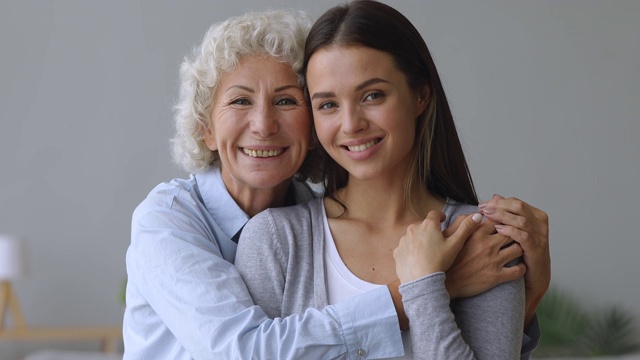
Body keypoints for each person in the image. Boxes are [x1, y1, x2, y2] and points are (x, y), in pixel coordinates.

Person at [124, 7, 548, 360]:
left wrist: (526, 304)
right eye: (239, 101)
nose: (264, 125)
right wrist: (428, 287)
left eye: (287, 101)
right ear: (206, 130)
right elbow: (246, 351)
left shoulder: (481, 241)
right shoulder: (192, 226)